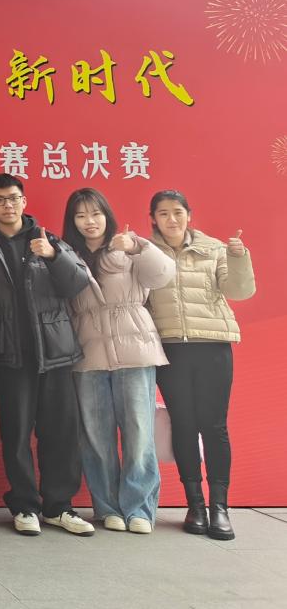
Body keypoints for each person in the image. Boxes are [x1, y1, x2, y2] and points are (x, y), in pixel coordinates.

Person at [0, 173, 94, 537]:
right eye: (0, 199)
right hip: (10, 355)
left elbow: (77, 283)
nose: (8, 205)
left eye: (13, 198)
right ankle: (25, 506)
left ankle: (59, 507)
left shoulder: (48, 239)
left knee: (61, 433)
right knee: (16, 435)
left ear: (24, 201)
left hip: (55, 352)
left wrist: (53, 256)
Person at [62, 188, 173, 535]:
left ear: (107, 215)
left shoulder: (128, 246)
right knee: (96, 435)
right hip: (88, 352)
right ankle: (107, 506)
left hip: (134, 349)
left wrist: (139, 247)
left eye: (95, 213)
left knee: (139, 432)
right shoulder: (67, 254)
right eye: (81, 215)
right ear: (72, 221)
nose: (89, 222)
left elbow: (163, 275)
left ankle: (139, 508)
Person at [147, 189, 255, 540]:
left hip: (212, 346)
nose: (172, 219)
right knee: (183, 424)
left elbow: (239, 291)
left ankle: (219, 507)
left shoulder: (215, 249)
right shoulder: (146, 254)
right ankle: (195, 505)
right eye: (163, 213)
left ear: (189, 215)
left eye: (178, 212)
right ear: (154, 219)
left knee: (214, 426)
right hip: (171, 350)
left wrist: (238, 257)